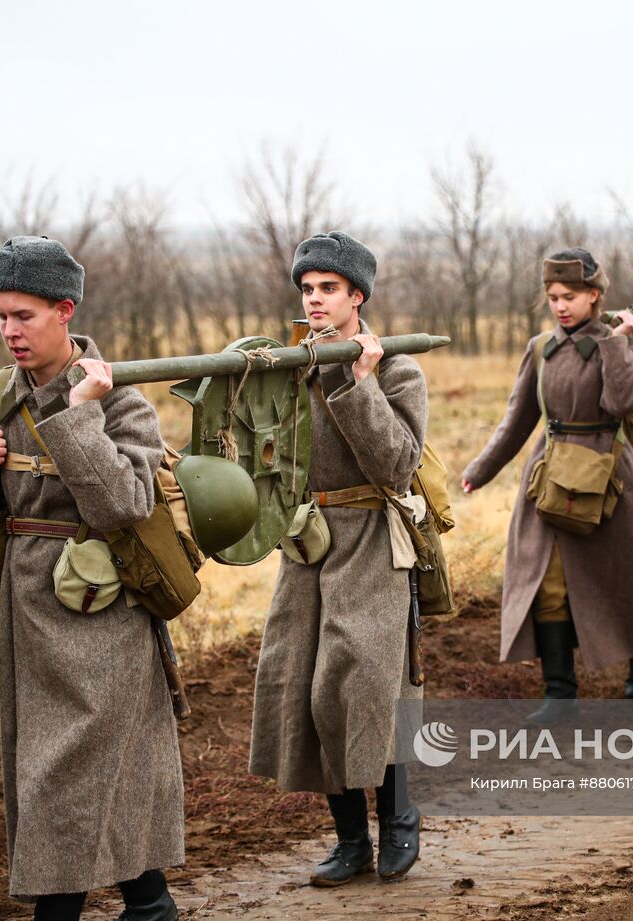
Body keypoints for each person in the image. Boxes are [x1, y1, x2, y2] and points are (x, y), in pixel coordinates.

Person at [0, 236, 182, 921]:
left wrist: (82, 412)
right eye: (1, 316)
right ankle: (150, 903)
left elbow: (127, 503)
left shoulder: (121, 395)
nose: (10, 331)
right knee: (69, 775)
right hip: (28, 608)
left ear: (64, 310)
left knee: (70, 778)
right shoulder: (0, 391)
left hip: (100, 611)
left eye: (23, 315)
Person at [249, 232, 428, 886]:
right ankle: (351, 839)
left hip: (372, 538)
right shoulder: (290, 365)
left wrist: (359, 384)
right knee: (309, 689)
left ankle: (399, 818)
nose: (315, 299)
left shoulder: (398, 367)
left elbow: (399, 464)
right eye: (307, 288)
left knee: (365, 688)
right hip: (307, 543)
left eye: (328, 288)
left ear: (357, 295)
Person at [461, 248, 633, 720]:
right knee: (547, 583)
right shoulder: (540, 348)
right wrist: (479, 470)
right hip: (550, 476)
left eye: (571, 296)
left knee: (629, 577)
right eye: (553, 297)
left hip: (609, 478)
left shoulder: (620, 340)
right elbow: (518, 419)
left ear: (595, 296)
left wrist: (621, 342)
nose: (560, 305)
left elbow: (624, 402)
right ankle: (560, 695)